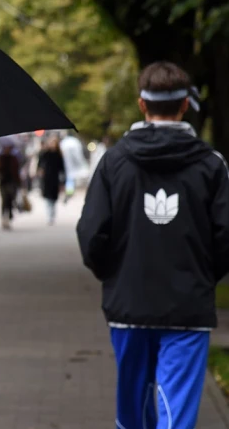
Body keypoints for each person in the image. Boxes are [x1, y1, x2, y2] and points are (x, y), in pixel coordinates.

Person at [77, 61, 229, 429]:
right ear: (183, 106)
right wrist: (202, 277)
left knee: (133, 407)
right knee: (176, 412)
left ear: (142, 104)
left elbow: (92, 234)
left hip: (128, 305)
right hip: (187, 307)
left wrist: (113, 275)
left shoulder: (113, 162)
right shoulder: (212, 165)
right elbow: (226, 237)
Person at [38, 136, 65, 225]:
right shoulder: (46, 153)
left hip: (55, 178)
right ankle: (49, 216)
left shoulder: (58, 154)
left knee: (54, 198)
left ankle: (52, 215)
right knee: (47, 197)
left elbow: (62, 168)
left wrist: (62, 180)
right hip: (47, 178)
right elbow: (40, 162)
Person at [0, 144, 21, 230]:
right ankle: (4, 218)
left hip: (11, 182)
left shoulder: (14, 158)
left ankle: (9, 217)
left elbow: (16, 171)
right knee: (4, 201)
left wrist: (19, 183)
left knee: (10, 200)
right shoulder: (1, 158)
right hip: (3, 183)